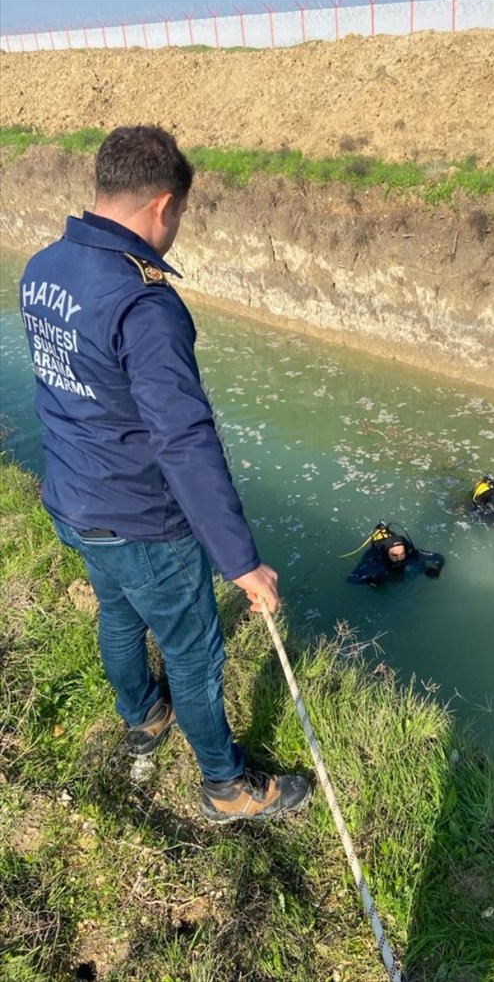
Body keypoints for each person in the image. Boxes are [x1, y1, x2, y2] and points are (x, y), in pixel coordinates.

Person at [19, 125, 311, 824]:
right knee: (194, 651)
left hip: (73, 499)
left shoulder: (42, 268)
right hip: (142, 520)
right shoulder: (144, 302)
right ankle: (225, 787)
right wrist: (241, 561)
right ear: (163, 205)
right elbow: (184, 440)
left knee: (118, 615)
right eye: (179, 212)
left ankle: (143, 716)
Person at [346, 521, 444, 586]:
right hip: (383, 572)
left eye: (402, 553)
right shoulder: (375, 560)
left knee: (417, 566)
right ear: (386, 554)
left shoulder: (410, 553)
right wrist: (370, 580)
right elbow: (352, 579)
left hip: (401, 571)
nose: (400, 558)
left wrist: (435, 568)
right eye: (395, 555)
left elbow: (438, 557)